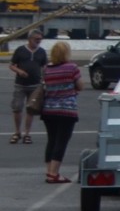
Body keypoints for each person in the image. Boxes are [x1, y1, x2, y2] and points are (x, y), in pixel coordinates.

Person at [38, 41, 81, 183]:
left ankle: (49, 170)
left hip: (48, 109)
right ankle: (54, 173)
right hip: (66, 110)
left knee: (51, 140)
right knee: (62, 141)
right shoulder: (72, 67)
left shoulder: (46, 69)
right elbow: (80, 86)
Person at [10, 33, 41, 144]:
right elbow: (12, 65)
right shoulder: (20, 50)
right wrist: (19, 71)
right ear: (29, 39)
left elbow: (44, 67)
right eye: (36, 39)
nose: (38, 41)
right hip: (20, 85)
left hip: (35, 85)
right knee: (17, 108)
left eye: (40, 39)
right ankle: (17, 132)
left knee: (30, 109)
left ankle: (27, 134)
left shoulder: (41, 52)